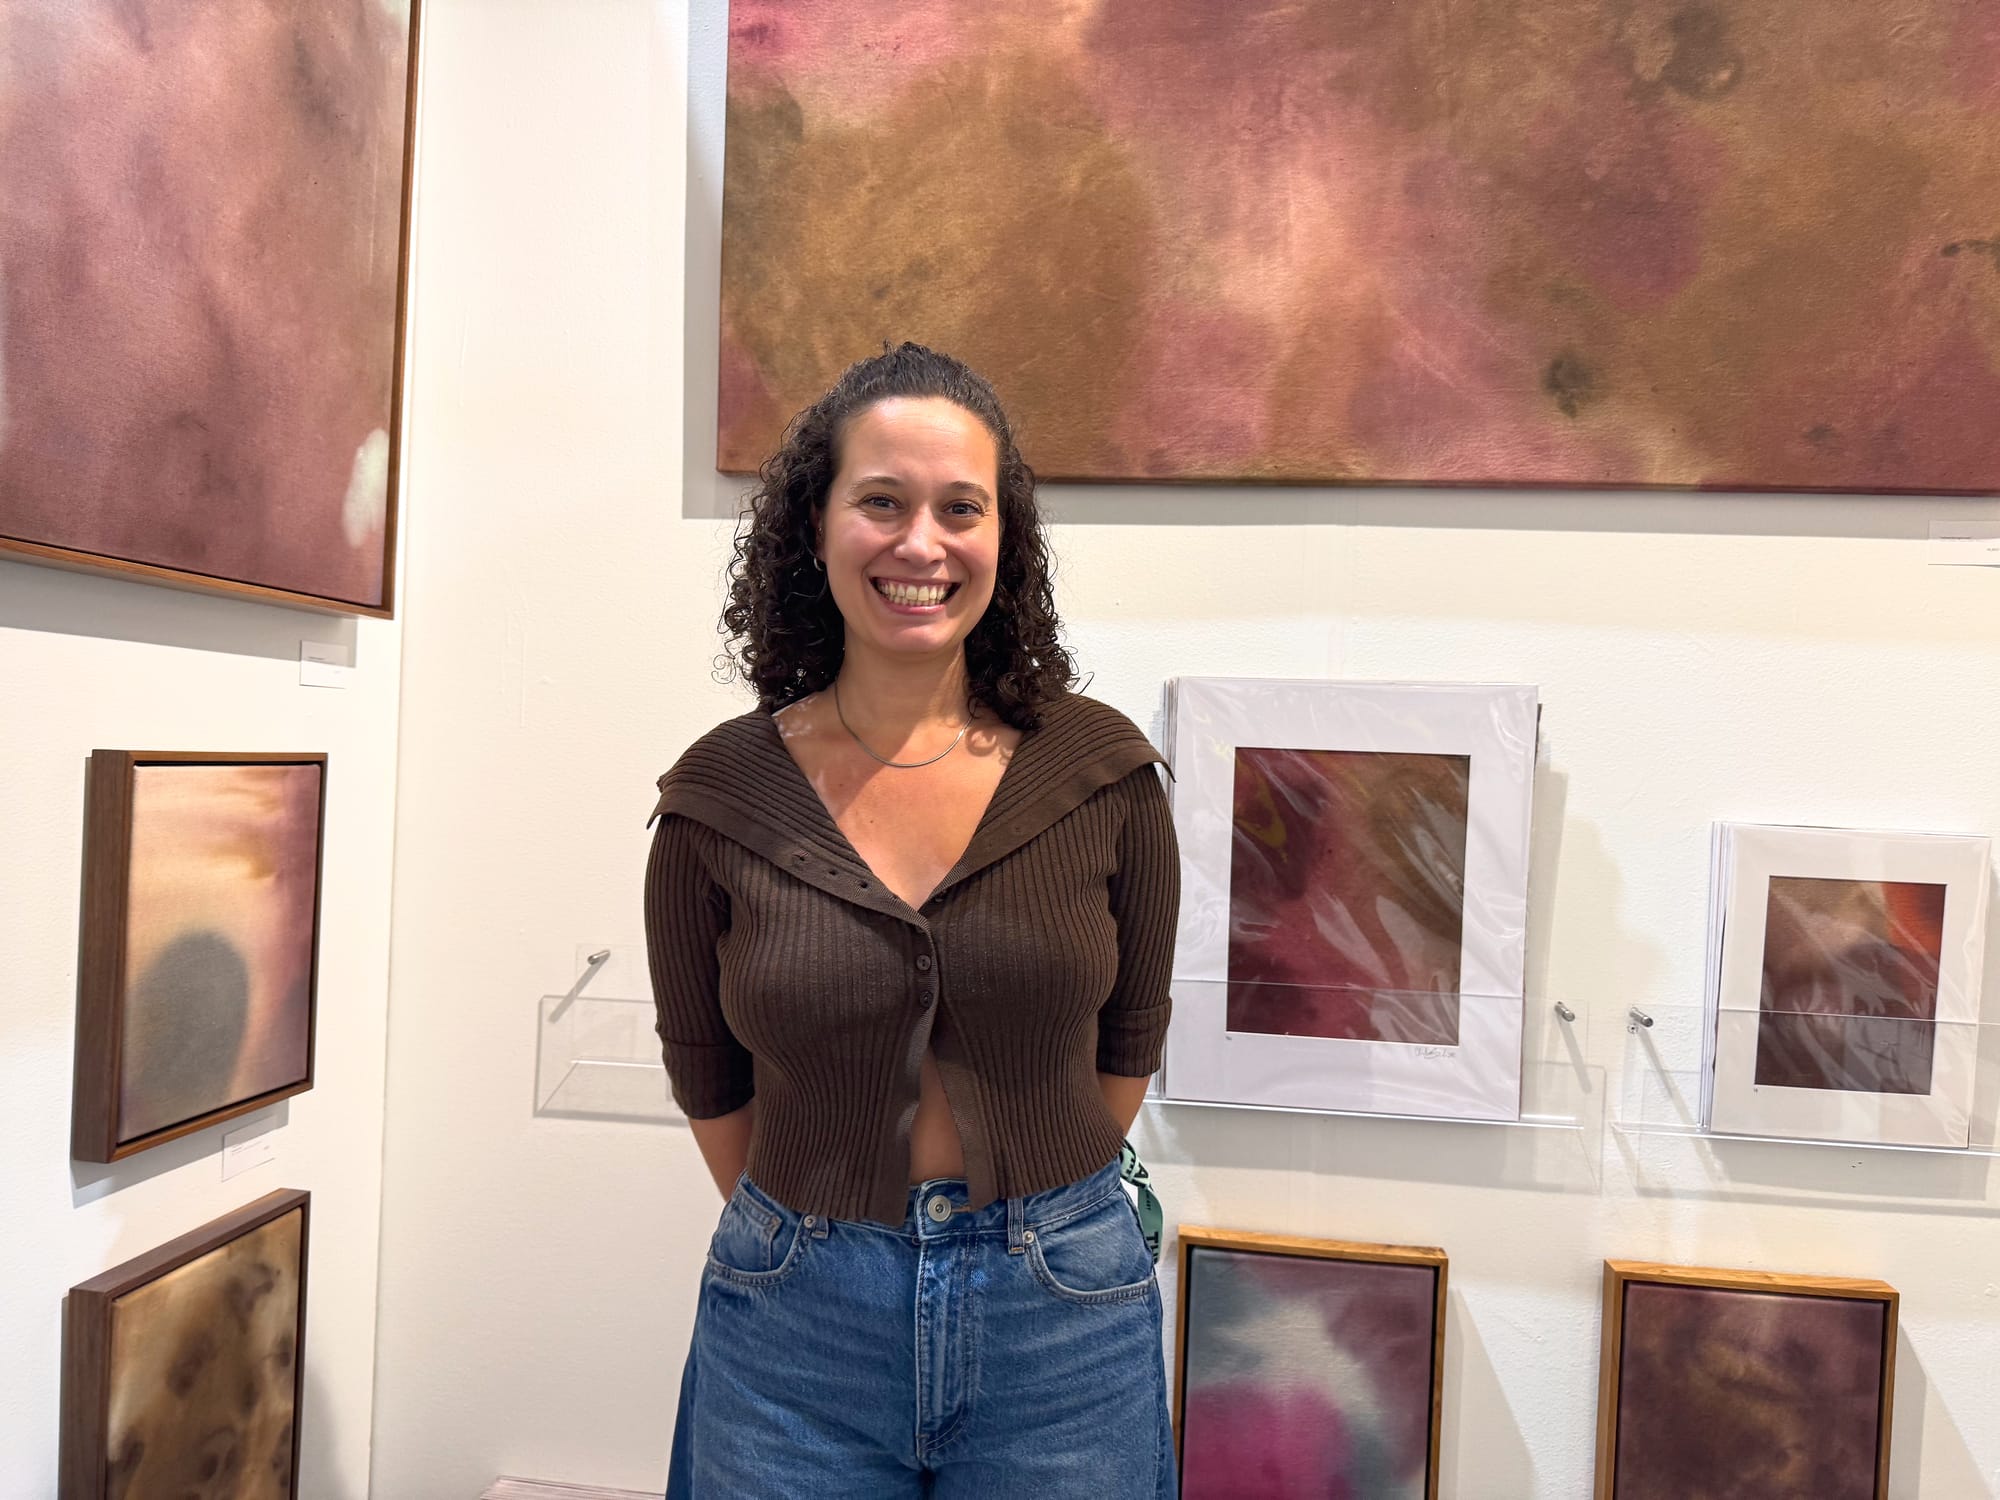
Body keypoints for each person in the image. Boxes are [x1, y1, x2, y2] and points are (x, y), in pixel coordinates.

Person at [644, 343, 1180, 1497]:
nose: (920, 544)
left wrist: (1031, 1202)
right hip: (795, 1324)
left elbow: (1127, 1045)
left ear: (1004, 539)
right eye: (879, 502)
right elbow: (707, 1073)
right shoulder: (718, 800)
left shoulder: (1103, 775)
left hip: (1064, 1316)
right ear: (817, 527)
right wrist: (826, 1221)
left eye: (959, 508)